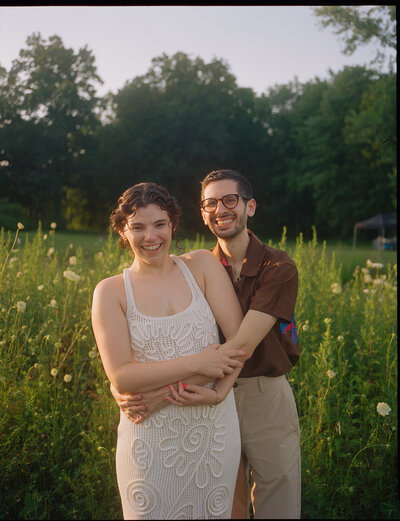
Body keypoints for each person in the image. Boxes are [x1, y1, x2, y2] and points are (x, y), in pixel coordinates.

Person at [112, 170, 301, 519]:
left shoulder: (278, 267)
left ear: (250, 206)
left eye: (231, 200)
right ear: (202, 213)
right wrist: (121, 384)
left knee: (278, 493)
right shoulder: (200, 265)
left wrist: (159, 395)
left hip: (260, 390)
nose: (221, 209)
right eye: (211, 203)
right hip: (204, 394)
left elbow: (241, 342)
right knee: (229, 502)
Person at [92, 181, 253, 520]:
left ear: (173, 225)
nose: (150, 236)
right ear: (123, 231)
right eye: (138, 226)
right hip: (148, 435)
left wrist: (208, 391)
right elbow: (122, 377)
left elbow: (239, 345)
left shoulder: (202, 268)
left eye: (159, 224)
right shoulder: (111, 292)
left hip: (213, 432)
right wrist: (202, 361)